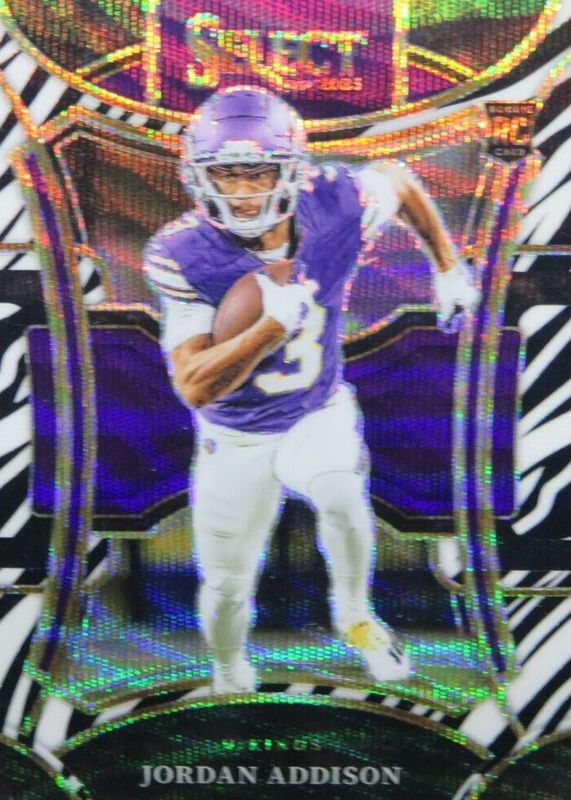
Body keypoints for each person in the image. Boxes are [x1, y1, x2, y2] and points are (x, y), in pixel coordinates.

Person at [144, 85, 478, 694]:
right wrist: (270, 328)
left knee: (341, 495)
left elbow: (397, 180)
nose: (242, 192)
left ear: (291, 171)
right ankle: (229, 672)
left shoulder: (335, 201)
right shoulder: (181, 253)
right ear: (198, 176)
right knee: (226, 583)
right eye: (226, 174)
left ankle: (355, 617)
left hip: (315, 410)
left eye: (257, 173)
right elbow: (194, 385)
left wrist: (447, 268)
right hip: (235, 434)